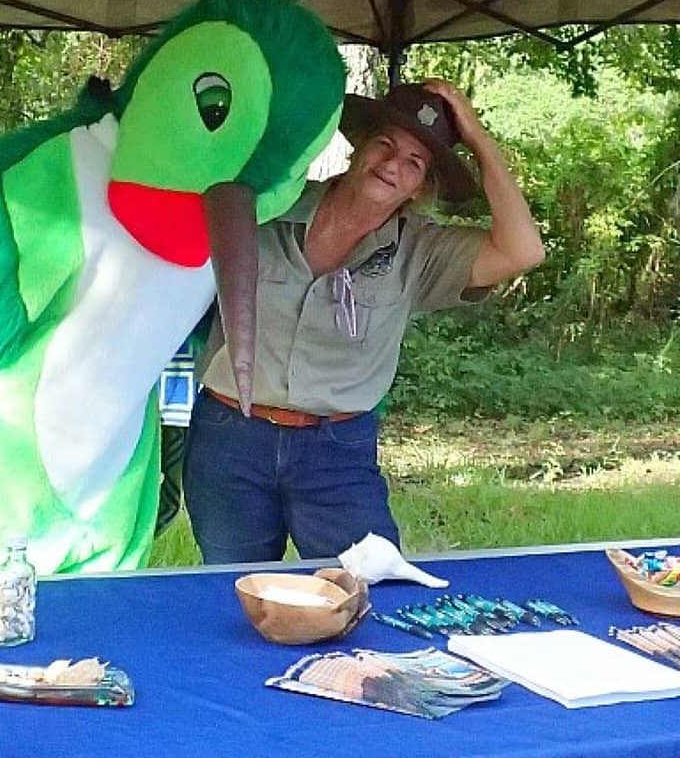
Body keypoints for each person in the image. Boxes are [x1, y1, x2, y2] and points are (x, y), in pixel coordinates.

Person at [182, 79, 545, 564]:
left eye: (414, 162)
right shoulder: (269, 207)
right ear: (358, 147)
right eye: (384, 145)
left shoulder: (422, 251)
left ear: (421, 187)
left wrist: (478, 139)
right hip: (230, 438)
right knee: (233, 587)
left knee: (369, 587)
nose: (393, 165)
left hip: (335, 453)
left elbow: (524, 250)